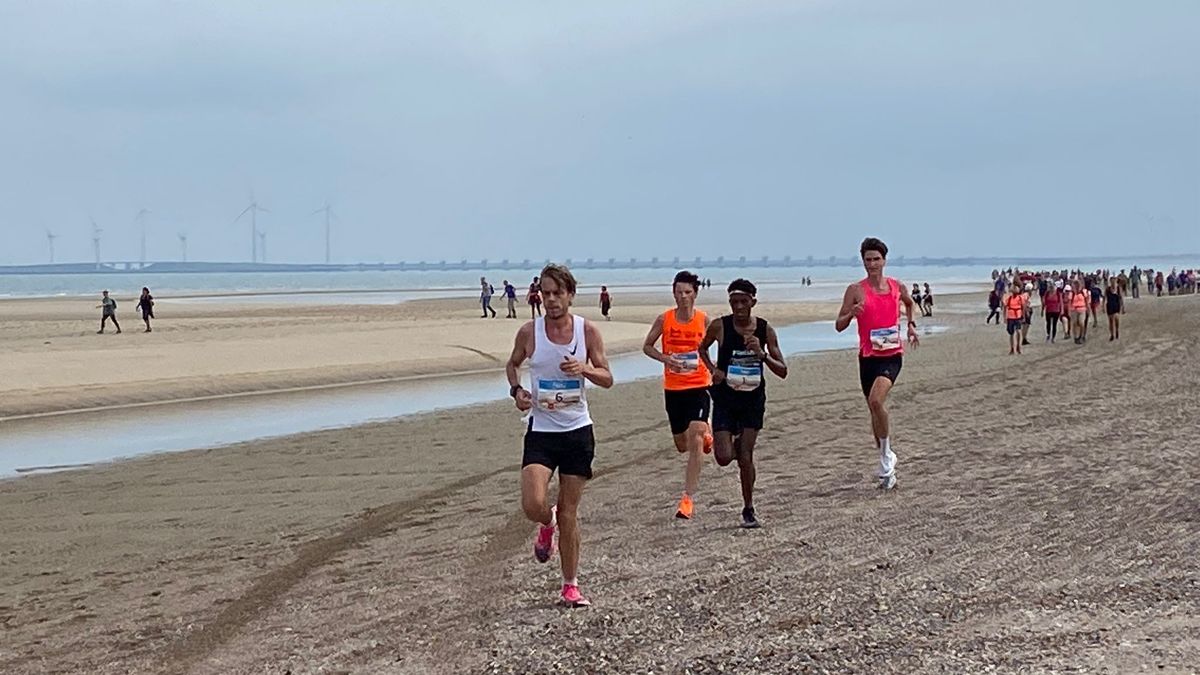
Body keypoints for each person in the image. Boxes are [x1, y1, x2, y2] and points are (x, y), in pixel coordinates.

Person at [505, 264, 613, 608]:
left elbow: (607, 377)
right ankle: (545, 522)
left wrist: (584, 369)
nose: (551, 300)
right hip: (541, 430)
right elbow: (512, 365)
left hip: (577, 431)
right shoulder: (529, 332)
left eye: (557, 293)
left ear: (569, 295)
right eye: (546, 293)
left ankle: (570, 585)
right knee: (533, 504)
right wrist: (517, 391)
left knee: (570, 511)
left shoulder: (588, 332)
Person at [698, 278, 787, 528]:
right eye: (734, 302)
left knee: (746, 456)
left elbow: (783, 370)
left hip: (752, 400)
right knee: (724, 457)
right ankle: (733, 446)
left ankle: (748, 509)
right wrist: (713, 369)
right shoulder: (720, 326)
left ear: (753, 302)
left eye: (743, 302)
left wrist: (762, 355)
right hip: (725, 398)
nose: (738, 307)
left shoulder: (765, 330)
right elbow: (701, 348)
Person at [835, 238, 919, 490]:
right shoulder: (855, 290)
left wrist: (911, 325)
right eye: (867, 259)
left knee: (876, 401)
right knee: (874, 411)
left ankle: (885, 457)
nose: (872, 264)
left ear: (884, 260)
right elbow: (838, 325)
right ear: (862, 261)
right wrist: (852, 314)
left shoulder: (895, 286)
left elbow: (909, 302)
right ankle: (887, 461)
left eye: (876, 259)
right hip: (868, 358)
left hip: (892, 356)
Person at [642, 270, 714, 520]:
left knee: (694, 439)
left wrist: (714, 369)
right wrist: (665, 358)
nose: (683, 297)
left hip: (699, 385)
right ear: (673, 293)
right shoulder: (665, 319)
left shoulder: (705, 320)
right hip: (674, 389)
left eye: (687, 292)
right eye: (678, 292)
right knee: (682, 445)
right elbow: (647, 346)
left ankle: (687, 500)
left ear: (695, 293)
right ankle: (706, 433)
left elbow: (714, 347)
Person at [1003, 283, 1028, 355]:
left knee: (1018, 331)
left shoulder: (1020, 298)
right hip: (1010, 317)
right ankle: (1012, 348)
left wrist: (1023, 316)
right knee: (1011, 333)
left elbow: (1023, 307)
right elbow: (1005, 307)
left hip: (1018, 316)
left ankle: (1018, 346)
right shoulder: (1009, 299)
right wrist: (1005, 317)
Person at [1069, 278, 1089, 344]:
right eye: (1075, 284)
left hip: (1082, 309)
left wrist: (1088, 308)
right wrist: (1069, 310)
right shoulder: (1071, 293)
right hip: (1074, 309)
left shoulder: (1084, 291)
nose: (1077, 285)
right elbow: (1069, 302)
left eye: (1078, 283)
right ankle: (1076, 337)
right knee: (1074, 323)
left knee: (1081, 323)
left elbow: (1086, 301)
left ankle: (1082, 336)